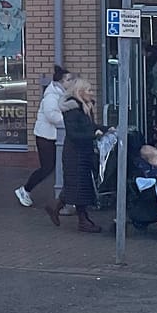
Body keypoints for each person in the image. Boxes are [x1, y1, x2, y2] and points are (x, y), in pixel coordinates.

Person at [49, 75, 107, 233]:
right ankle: (82, 220)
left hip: (83, 151)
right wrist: (94, 135)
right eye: (88, 90)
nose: (91, 93)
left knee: (79, 186)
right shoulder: (73, 110)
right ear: (80, 92)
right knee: (78, 186)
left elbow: (91, 126)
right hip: (75, 153)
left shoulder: (85, 107)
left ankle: (61, 209)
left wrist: (107, 129)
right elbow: (74, 134)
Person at [16, 65, 67, 208]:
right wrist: (69, 118)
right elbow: (53, 116)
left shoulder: (61, 94)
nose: (70, 83)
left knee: (53, 166)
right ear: (60, 82)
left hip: (53, 136)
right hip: (45, 137)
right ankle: (25, 189)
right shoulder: (51, 96)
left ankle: (64, 196)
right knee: (47, 167)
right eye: (68, 80)